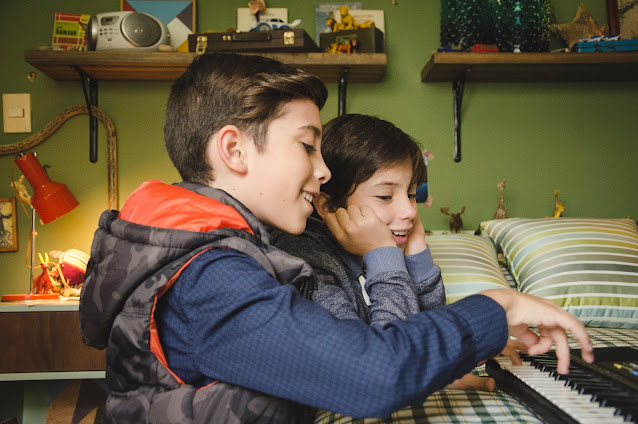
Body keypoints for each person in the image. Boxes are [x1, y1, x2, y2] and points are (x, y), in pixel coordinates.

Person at [79, 52, 593, 424]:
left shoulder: (222, 253)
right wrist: (499, 306)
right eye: (307, 146)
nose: (323, 171)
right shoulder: (208, 277)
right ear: (234, 151)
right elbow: (373, 375)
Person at [270, 114, 520, 393]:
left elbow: (424, 333)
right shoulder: (303, 259)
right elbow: (374, 369)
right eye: (385, 196)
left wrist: (418, 256)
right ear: (328, 206)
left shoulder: (376, 250)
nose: (410, 211)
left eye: (411, 194)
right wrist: (383, 254)